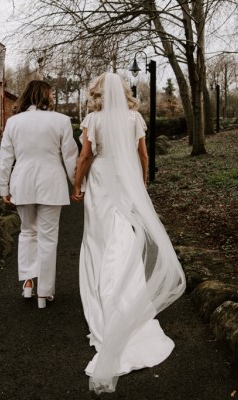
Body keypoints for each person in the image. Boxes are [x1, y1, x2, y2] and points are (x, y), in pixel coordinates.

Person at [71, 72, 185, 393]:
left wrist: (77, 184)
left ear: (97, 93)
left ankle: (103, 300)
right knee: (124, 236)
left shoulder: (93, 119)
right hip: (125, 179)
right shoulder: (134, 117)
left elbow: (85, 156)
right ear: (124, 92)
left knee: (98, 239)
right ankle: (127, 294)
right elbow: (143, 155)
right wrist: (142, 183)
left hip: (100, 179)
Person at [0, 80, 78, 309]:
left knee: (27, 233)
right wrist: (77, 184)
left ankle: (28, 284)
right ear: (46, 96)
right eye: (51, 94)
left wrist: (3, 187)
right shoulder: (61, 121)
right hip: (51, 183)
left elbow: (5, 159)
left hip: (22, 183)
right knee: (48, 239)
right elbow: (70, 156)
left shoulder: (13, 122)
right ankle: (45, 293)